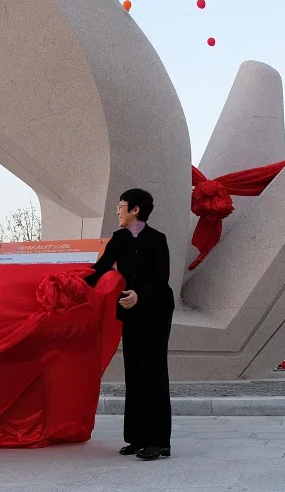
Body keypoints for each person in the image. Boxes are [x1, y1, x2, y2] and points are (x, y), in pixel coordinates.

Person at [85, 188, 174, 461]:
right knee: (134, 371)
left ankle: (159, 442)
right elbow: (100, 268)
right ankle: (137, 438)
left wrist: (139, 294)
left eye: (121, 206)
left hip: (156, 311)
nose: (117, 211)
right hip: (131, 312)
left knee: (153, 372)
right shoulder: (119, 238)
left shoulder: (157, 239)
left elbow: (161, 278)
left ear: (135, 209)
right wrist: (72, 281)